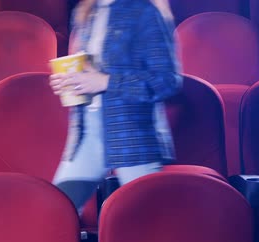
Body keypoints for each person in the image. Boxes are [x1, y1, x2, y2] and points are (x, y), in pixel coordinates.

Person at [49, 0, 181, 211]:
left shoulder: (144, 12)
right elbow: (92, 75)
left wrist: (105, 82)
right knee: (56, 212)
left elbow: (167, 81)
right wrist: (72, 82)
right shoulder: (87, 12)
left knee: (147, 224)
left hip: (133, 137)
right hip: (87, 135)